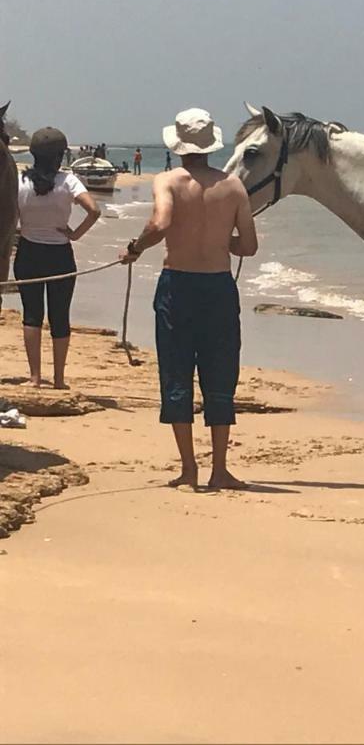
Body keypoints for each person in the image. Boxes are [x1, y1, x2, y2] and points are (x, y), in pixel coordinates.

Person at [120, 109, 257, 490]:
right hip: (218, 286)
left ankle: (189, 469)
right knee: (220, 374)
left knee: (177, 372)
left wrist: (135, 247)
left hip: (178, 285)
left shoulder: (168, 179)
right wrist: (218, 240)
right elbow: (248, 245)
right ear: (211, 144)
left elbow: (161, 224)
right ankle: (220, 469)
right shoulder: (233, 186)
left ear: (178, 146)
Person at [14, 127, 101, 388]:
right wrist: (75, 234)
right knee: (60, 315)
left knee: (32, 314)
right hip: (60, 254)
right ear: (61, 155)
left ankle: (34, 377)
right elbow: (94, 210)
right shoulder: (69, 181)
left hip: (28, 252)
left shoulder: (20, 182)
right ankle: (60, 379)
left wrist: (21, 229)